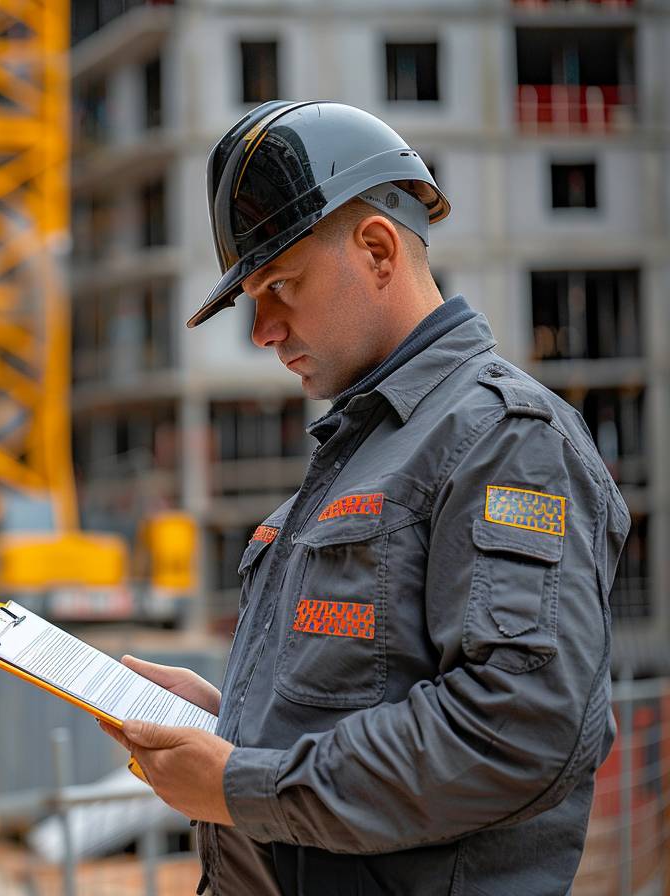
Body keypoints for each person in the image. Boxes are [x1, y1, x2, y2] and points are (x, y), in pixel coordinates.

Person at [99, 101, 630, 895]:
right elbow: (366, 688)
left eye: (281, 285)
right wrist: (230, 723)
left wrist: (242, 786)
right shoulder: (369, 447)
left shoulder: (506, 440)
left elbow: (517, 728)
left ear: (378, 248)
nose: (263, 331)